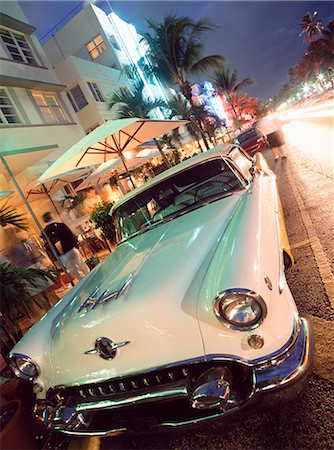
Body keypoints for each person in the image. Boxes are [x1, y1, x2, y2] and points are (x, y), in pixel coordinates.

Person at [42, 212, 89, 281]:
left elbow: (49, 245)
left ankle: (84, 283)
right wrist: (76, 245)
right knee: (82, 265)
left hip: (62, 255)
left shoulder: (45, 232)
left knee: (74, 271)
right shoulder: (61, 225)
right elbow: (71, 235)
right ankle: (90, 277)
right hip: (71, 249)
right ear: (52, 216)